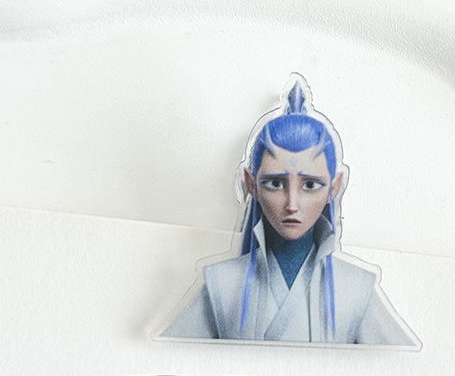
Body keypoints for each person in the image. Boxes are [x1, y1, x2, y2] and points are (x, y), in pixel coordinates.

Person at [160, 76, 418, 346]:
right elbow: (167, 360)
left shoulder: (355, 288)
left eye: (310, 185)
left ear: (334, 187)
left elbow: (399, 365)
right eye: (275, 183)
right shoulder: (222, 283)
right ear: (250, 183)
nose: (292, 204)